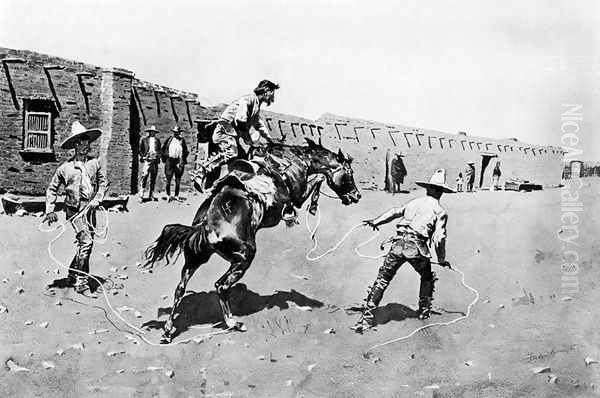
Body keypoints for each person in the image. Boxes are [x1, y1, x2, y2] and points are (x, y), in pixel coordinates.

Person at [351, 169, 454, 333]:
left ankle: (366, 318)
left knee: (382, 279)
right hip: (416, 247)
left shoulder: (414, 202)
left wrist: (376, 221)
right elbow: (439, 238)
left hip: (398, 244)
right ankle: (424, 311)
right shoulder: (440, 211)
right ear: (440, 191)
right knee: (427, 277)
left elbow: (394, 212)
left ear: (428, 188)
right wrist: (441, 259)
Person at [43, 121, 108, 298]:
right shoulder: (65, 168)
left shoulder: (95, 163)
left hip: (91, 209)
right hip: (74, 210)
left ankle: (72, 274)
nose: (84, 146)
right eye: (80, 143)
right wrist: (50, 210)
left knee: (86, 243)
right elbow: (52, 189)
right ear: (74, 145)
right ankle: (82, 283)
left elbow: (103, 183)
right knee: (86, 242)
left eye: (87, 142)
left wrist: (98, 199)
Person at [191, 79, 279, 191]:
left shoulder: (256, 105)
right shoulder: (247, 100)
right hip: (224, 131)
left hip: (231, 134)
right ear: (267, 91)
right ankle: (199, 173)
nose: (272, 97)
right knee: (232, 152)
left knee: (242, 160)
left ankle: (222, 185)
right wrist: (249, 140)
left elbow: (258, 124)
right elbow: (240, 121)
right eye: (272, 93)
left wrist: (269, 138)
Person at [161, 125, 188, 202]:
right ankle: (168, 195)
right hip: (169, 161)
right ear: (173, 132)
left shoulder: (182, 141)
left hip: (178, 161)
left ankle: (176, 195)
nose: (176, 134)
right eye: (175, 132)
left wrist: (182, 160)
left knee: (178, 179)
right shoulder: (169, 140)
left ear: (179, 133)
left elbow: (186, 151)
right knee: (168, 178)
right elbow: (162, 149)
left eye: (177, 132)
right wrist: (165, 159)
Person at [138, 125, 162, 202]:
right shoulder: (144, 140)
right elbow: (140, 150)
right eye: (151, 132)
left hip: (154, 161)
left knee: (153, 178)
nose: (152, 133)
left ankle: (151, 194)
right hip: (147, 160)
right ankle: (141, 195)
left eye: (154, 132)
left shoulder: (157, 141)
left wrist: (157, 156)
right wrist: (143, 157)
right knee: (144, 176)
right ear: (149, 132)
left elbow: (159, 150)